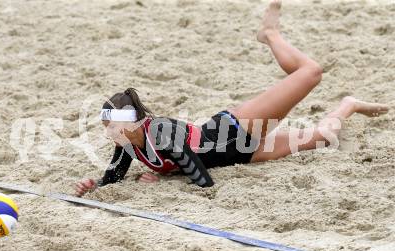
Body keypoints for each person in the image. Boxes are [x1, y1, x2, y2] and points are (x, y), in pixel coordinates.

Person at [75, 0, 389, 197]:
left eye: (112, 126)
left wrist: (164, 176)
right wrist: (95, 186)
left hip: (239, 129)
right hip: (241, 155)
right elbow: (114, 174)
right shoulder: (126, 142)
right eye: (106, 126)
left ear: (136, 122)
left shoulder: (160, 135)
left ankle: (271, 35)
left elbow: (202, 179)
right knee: (322, 137)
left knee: (312, 73)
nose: (109, 133)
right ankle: (349, 104)